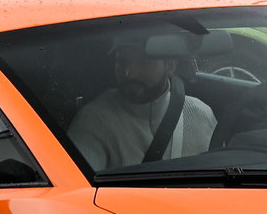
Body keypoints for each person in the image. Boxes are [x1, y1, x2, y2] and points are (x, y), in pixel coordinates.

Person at [67, 36, 215, 172]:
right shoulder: (93, 120)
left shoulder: (201, 113)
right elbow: (77, 186)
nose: (129, 73)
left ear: (170, 66)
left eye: (144, 63)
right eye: (122, 62)